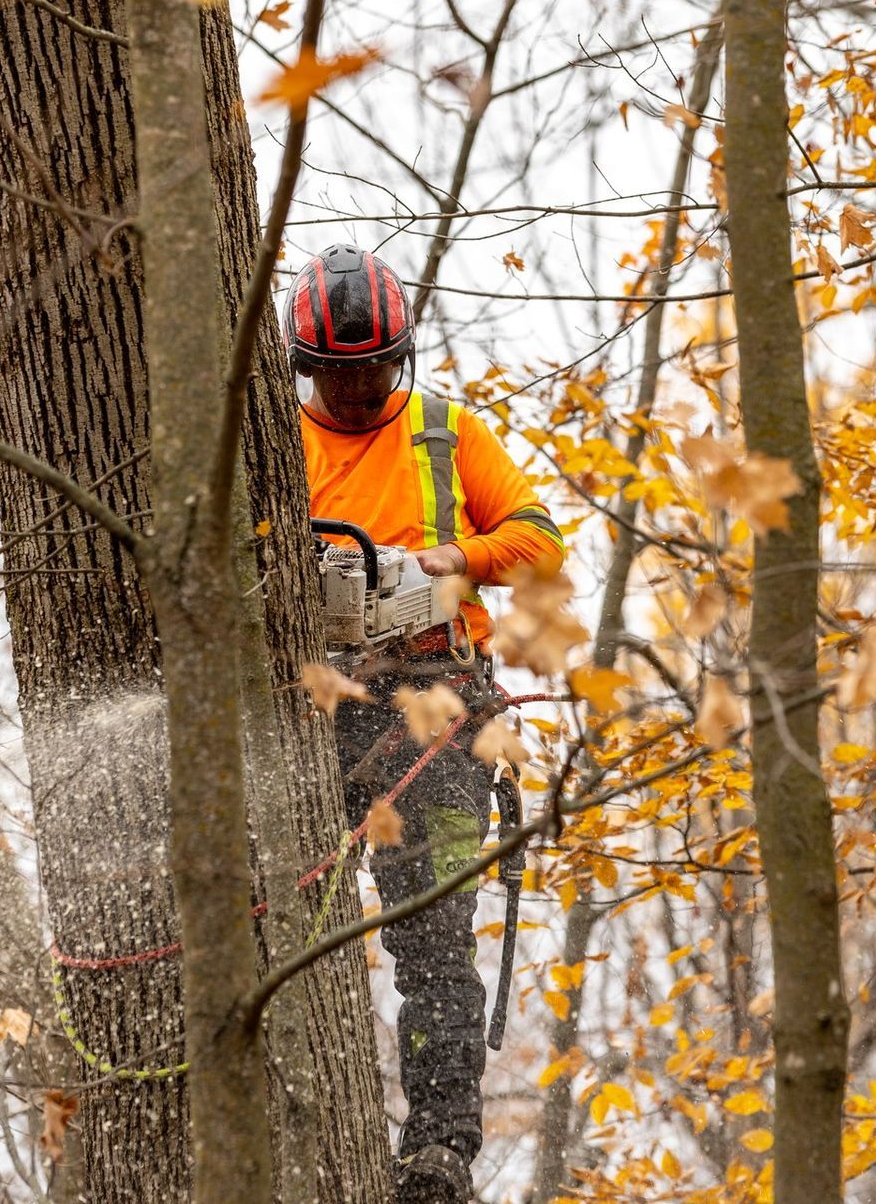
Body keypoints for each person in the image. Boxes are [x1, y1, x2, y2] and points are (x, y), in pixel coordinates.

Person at [288, 244, 566, 1204]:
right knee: (288, 915)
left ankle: (440, 1152)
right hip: (317, 714)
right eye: (340, 373)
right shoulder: (276, 445)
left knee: (435, 943)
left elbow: (537, 540)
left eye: (372, 370)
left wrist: (443, 563)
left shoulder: (446, 433)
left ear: (397, 358)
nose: (359, 390)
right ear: (309, 370)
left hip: (440, 709)